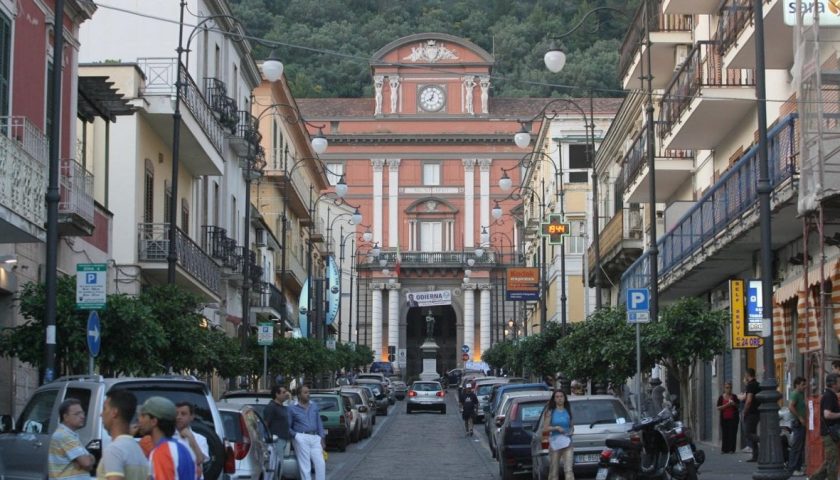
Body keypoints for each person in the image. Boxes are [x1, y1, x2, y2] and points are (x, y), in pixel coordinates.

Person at [137, 396, 196, 480]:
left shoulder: (162, 452)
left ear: (154, 421)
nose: (139, 420)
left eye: (143, 416)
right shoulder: (184, 447)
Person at [98, 390, 149, 480]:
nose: (101, 414)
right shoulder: (138, 450)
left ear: (114, 412)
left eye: (104, 408)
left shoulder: (114, 450)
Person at [49, 398, 94, 479]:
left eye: (82, 413)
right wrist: (88, 460)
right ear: (66, 417)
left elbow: (87, 464)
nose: (82, 417)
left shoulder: (70, 434)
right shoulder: (64, 435)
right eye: (77, 414)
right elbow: (87, 463)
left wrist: (86, 460)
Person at [289, 385, 326, 480]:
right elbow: (287, 426)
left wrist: (321, 437)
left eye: (308, 392)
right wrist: (296, 435)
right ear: (299, 395)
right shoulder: (292, 408)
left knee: (320, 463)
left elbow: (319, 422)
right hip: (302, 436)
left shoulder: (313, 405)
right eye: (305, 392)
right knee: (305, 466)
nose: (308, 394)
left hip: (315, 437)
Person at [810, 373, 840, 480]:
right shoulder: (829, 396)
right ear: (833, 384)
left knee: (829, 460)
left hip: (831, 433)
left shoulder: (830, 395)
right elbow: (827, 414)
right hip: (829, 434)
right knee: (832, 463)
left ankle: (813, 479)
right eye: (839, 382)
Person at [543, 389, 574, 480]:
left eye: (561, 396)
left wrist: (571, 431)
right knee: (554, 470)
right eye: (557, 397)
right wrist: (556, 428)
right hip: (555, 444)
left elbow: (572, 426)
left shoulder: (568, 410)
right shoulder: (550, 412)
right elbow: (545, 428)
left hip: (567, 443)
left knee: (568, 470)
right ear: (554, 399)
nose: (559, 399)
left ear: (564, 398)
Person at [174, 402, 208, 478]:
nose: (178, 417)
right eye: (176, 414)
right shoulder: (168, 437)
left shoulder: (200, 439)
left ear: (192, 416)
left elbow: (199, 460)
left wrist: (190, 437)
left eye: (183, 414)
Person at [263, 385, 292, 462]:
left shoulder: (282, 406)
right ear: (277, 394)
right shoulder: (272, 407)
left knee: (280, 464)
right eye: (283, 392)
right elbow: (265, 424)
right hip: (276, 440)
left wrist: (290, 398)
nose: (286, 394)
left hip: (283, 439)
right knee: (277, 465)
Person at [787, 376, 807, 476]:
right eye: (803, 385)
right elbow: (790, 406)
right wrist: (800, 417)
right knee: (797, 446)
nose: (805, 387)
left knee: (799, 446)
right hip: (797, 423)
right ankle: (793, 468)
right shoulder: (795, 394)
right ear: (797, 385)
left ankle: (797, 468)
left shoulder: (800, 394)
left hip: (800, 423)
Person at [740, 368, 760, 461]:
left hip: (751, 412)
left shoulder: (750, 385)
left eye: (745, 375)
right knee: (753, 433)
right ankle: (755, 455)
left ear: (748, 375)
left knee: (748, 434)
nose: (744, 377)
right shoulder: (757, 384)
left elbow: (748, 400)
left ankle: (763, 440)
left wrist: (744, 411)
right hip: (756, 412)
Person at [716, 381, 740, 453]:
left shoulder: (734, 397)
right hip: (724, 418)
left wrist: (734, 404)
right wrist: (726, 405)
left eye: (730, 388)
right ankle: (724, 449)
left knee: (732, 433)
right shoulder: (721, 397)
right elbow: (718, 408)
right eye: (727, 388)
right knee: (725, 433)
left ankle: (731, 449)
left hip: (733, 418)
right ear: (724, 388)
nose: (728, 389)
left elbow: (738, 406)